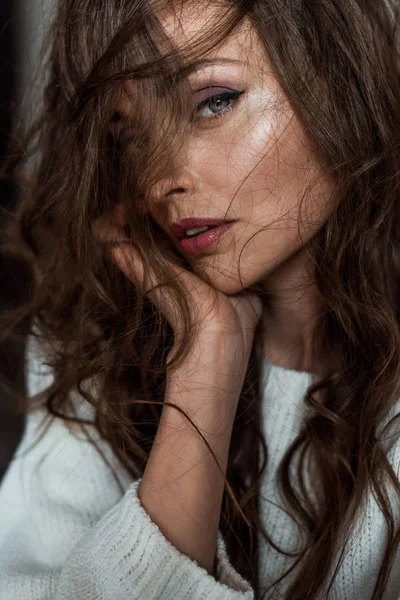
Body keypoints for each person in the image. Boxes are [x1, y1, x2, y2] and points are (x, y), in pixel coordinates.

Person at [1, 0, 400, 598]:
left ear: (340, 76)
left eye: (214, 101)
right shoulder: (92, 345)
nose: (160, 179)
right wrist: (203, 365)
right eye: (128, 136)